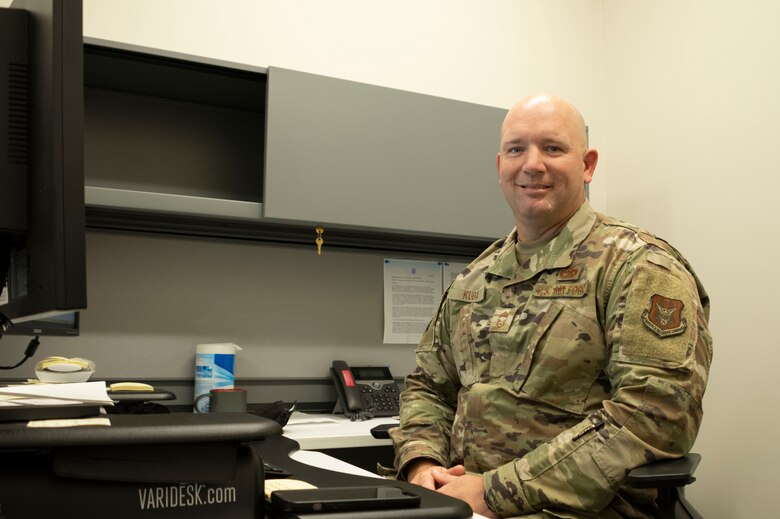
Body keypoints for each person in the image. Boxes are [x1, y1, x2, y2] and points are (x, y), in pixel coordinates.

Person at [389, 94, 712, 518]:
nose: (532, 164)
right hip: (463, 502)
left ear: (587, 165)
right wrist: (422, 463)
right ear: (500, 166)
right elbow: (430, 386)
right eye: (516, 149)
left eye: (553, 148)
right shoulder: (477, 277)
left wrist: (494, 492)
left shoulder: (638, 265)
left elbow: (656, 415)